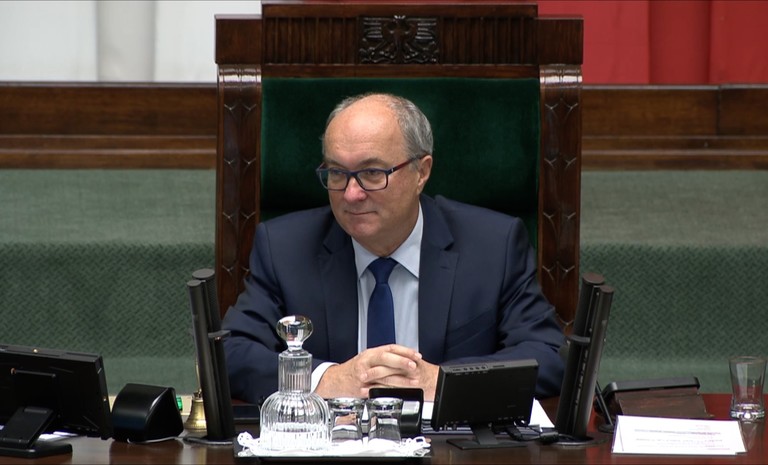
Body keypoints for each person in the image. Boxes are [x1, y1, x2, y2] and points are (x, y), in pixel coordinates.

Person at [222, 93, 565, 405]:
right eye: (337, 173)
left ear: (421, 172)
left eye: (372, 172)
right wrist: (326, 379)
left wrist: (441, 382)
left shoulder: (493, 246)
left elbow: (548, 355)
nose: (351, 194)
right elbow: (231, 352)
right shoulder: (285, 248)